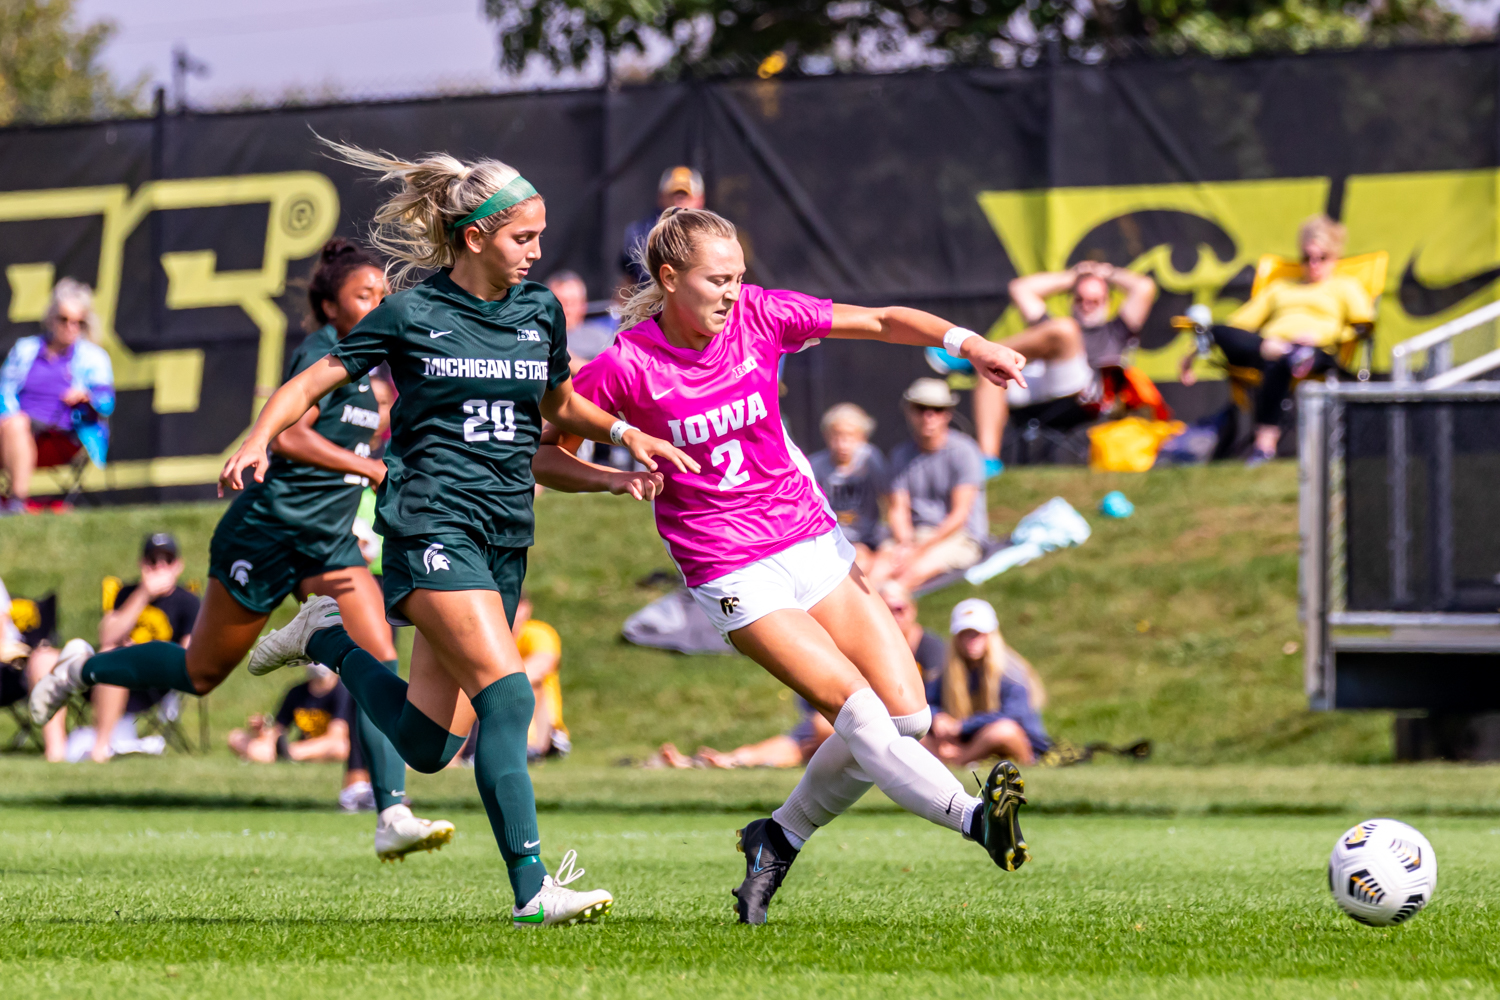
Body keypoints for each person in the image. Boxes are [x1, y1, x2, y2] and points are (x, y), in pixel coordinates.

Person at [211, 141, 693, 927]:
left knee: (434, 747)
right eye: (521, 238)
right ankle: (534, 890)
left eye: (539, 237)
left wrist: (619, 446)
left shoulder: (540, 313)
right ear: (474, 236)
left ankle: (327, 640)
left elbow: (558, 414)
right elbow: (308, 382)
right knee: (508, 698)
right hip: (429, 526)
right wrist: (261, 436)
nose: (536, 253)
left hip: (504, 538)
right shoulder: (411, 312)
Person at [556, 206, 1032, 926]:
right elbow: (542, 450)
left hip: (810, 541)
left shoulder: (759, 315)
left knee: (906, 715)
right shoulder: (626, 365)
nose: (731, 292)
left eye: (739, 276)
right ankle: (977, 821)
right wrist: (613, 476)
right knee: (858, 710)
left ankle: (776, 836)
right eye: (717, 279)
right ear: (668, 278)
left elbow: (879, 321)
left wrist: (969, 344)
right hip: (726, 563)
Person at [30, 238, 452, 860]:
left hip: (329, 546)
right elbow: (288, 437)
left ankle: (390, 809)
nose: (376, 306)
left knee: (378, 656)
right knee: (199, 673)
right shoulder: (321, 352)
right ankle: (81, 670)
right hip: (268, 534)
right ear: (330, 304)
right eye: (364, 296)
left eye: (382, 296)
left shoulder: (370, 368)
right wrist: (370, 470)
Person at [1180, 214, 1373, 465]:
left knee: (1282, 361)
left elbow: (1362, 326)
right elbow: (1237, 325)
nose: (1313, 264)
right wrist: (1195, 351)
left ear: (1334, 257)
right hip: (1269, 347)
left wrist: (1327, 336)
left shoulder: (1345, 287)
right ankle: (1278, 351)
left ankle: (1264, 444)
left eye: (1321, 257)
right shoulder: (1280, 288)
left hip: (1316, 351)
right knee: (1219, 330)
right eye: (1306, 257)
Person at [972, 262, 1157, 477]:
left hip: (1087, 394)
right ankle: (989, 462)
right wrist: (1074, 276)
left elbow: (1144, 287)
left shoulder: (1116, 330)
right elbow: (1020, 288)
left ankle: (979, 353)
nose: (1086, 305)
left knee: (1066, 330)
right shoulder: (1051, 327)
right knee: (991, 374)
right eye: (1080, 299)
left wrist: (1107, 273)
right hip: (1044, 383)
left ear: (1107, 302)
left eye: (1094, 301)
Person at [82, 533, 201, 764]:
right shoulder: (127, 594)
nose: (159, 567)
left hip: (157, 680)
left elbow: (190, 655)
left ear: (178, 565)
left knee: (113, 661)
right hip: (115, 674)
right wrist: (144, 594)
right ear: (142, 564)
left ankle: (99, 749)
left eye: (166, 560)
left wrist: (147, 653)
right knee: (110, 658)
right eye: (152, 560)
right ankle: (89, 748)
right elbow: (107, 636)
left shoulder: (188, 602)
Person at [0, 278, 114, 513]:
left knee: (15, 424)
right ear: (51, 318)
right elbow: (4, 391)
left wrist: (87, 397)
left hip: (61, 435)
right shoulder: (25, 350)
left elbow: (107, 403)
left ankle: (17, 503)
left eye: (78, 322)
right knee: (14, 424)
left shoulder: (94, 358)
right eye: (64, 320)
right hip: (13, 429)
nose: (70, 327)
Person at [869, 378, 989, 592]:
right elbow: (897, 509)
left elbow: (960, 515)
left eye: (937, 409)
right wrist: (906, 545)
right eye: (921, 408)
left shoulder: (964, 451)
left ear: (948, 413)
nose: (929, 416)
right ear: (908, 411)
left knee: (906, 578)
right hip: (913, 536)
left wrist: (919, 549)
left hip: (959, 537)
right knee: (874, 573)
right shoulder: (901, 454)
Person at [922, 599, 1051, 767]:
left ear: (991, 635)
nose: (971, 640)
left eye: (977, 634)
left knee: (1003, 731)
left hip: (1012, 741)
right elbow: (926, 703)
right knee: (918, 736)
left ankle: (959, 761)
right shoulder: (946, 672)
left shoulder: (1011, 673)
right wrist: (937, 717)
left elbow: (1014, 715)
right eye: (965, 634)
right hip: (967, 739)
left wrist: (962, 726)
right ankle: (961, 760)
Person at [808, 403, 887, 572]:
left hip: (865, 540)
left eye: (849, 437)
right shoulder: (815, 466)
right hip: (830, 540)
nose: (842, 444)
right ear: (826, 435)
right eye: (836, 436)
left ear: (862, 437)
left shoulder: (870, 460)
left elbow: (889, 498)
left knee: (857, 565)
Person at [228, 664, 354, 764]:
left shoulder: (342, 691)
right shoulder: (297, 692)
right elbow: (278, 730)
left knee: (341, 748)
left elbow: (336, 736)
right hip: (300, 748)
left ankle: (283, 756)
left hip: (325, 747)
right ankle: (282, 756)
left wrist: (293, 750)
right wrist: (261, 731)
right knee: (236, 737)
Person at [621, 167, 706, 287]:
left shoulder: (715, 234)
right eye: (674, 194)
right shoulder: (638, 234)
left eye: (685, 195)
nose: (678, 201)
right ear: (661, 197)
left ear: (700, 199)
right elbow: (628, 281)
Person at [513, 593, 570, 761]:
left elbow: (541, 666)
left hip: (544, 729)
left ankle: (530, 745)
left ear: (526, 608)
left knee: (529, 684)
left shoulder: (536, 633)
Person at [546, 271, 617, 374]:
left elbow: (612, 373)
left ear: (583, 305)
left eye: (571, 303)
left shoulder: (601, 338)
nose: (566, 309)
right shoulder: (537, 335)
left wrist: (569, 363)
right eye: (559, 303)